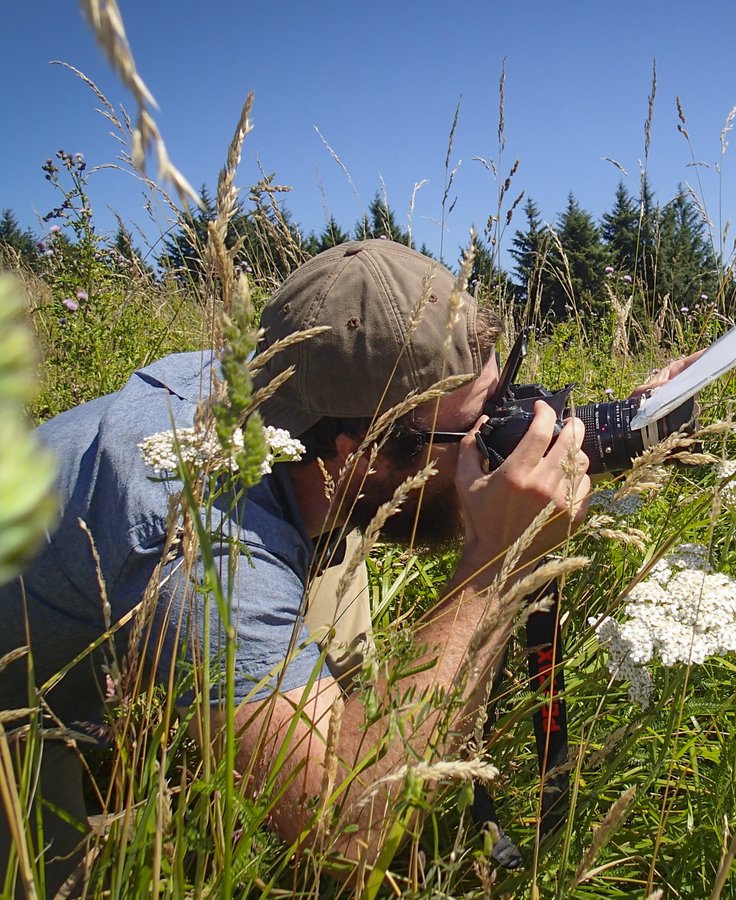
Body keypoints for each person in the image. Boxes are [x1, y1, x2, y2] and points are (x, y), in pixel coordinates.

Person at [2, 238, 684, 892]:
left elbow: (436, 456)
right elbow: (342, 834)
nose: (496, 439)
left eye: (502, 399)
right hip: (19, 710)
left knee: (358, 698)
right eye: (475, 430)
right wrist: (493, 566)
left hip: (286, 516)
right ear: (362, 454)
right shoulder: (202, 542)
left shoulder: (296, 393)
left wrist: (643, 419)